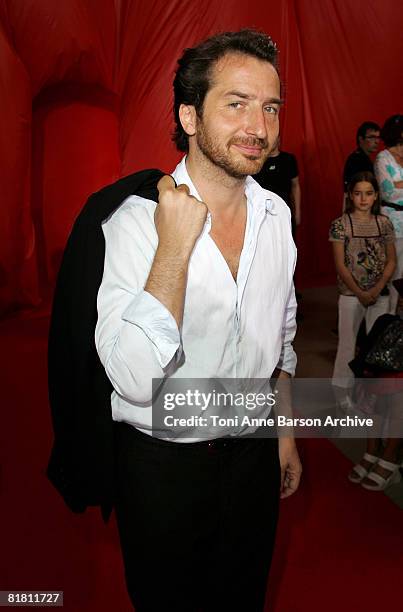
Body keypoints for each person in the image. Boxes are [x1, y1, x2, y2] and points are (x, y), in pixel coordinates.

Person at [95, 29, 301, 612]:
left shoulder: (276, 216)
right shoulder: (134, 224)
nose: (258, 128)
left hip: (254, 458)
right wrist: (173, 251)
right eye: (235, 104)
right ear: (189, 114)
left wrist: (283, 436)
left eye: (270, 107)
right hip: (164, 469)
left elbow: (281, 338)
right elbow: (132, 378)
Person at [330, 171, 396, 395]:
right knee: (347, 344)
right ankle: (342, 392)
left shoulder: (384, 224)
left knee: (376, 346)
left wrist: (377, 289)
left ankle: (369, 394)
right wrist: (359, 292)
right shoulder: (340, 225)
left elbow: (391, 261)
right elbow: (341, 265)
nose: (363, 199)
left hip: (380, 294)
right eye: (358, 193)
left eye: (368, 193)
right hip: (350, 294)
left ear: (376, 196)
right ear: (350, 195)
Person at [374, 114, 403, 312]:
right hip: (393, 220)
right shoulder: (382, 158)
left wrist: (399, 184)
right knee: (395, 272)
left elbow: (397, 187)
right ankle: (390, 318)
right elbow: (389, 191)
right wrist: (397, 186)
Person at [253, 137, 301, 236]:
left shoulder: (288, 159)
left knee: (287, 242)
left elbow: (295, 186)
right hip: (262, 212)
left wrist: (298, 212)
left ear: (279, 139)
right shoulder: (257, 161)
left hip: (284, 209)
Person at [343, 121, 380, 197]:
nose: (376, 141)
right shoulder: (357, 160)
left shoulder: (362, 158)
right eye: (372, 137)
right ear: (361, 139)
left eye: (378, 137)